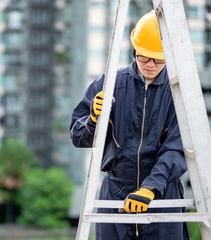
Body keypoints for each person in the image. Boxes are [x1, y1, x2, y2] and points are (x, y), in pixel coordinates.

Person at [70, 10, 189, 239]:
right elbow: (78, 136)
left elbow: (177, 147)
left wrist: (151, 187)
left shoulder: (177, 92)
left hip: (162, 193)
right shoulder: (109, 83)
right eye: (144, 56)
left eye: (158, 58)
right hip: (115, 193)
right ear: (135, 50)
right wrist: (93, 121)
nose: (151, 64)